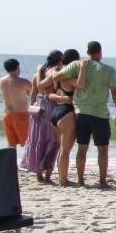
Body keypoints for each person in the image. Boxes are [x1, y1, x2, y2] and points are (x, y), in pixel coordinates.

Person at [54, 41, 116, 188]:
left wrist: (70, 79)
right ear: (100, 52)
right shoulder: (109, 70)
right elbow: (115, 92)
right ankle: (102, 181)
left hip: (81, 113)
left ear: (87, 52)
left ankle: (80, 181)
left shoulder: (76, 65)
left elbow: (57, 77)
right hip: (100, 113)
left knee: (82, 148)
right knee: (103, 149)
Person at [20, 50, 63, 183]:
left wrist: (32, 108)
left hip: (37, 108)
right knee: (53, 142)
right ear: (59, 60)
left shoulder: (37, 74)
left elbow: (33, 94)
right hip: (51, 107)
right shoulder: (54, 73)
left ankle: (38, 175)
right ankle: (48, 176)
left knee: (37, 140)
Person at [45, 49, 80, 186]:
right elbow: (82, 85)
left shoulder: (56, 74)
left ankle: (62, 178)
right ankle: (63, 181)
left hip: (56, 112)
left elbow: (49, 94)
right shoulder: (70, 75)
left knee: (62, 149)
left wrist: (60, 98)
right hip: (67, 113)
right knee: (65, 151)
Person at [0, 58, 32, 148]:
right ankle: (28, 158)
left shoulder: (1, 81)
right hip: (20, 114)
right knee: (27, 142)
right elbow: (35, 93)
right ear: (17, 68)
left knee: (11, 143)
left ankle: (11, 157)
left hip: (7, 114)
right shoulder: (23, 82)